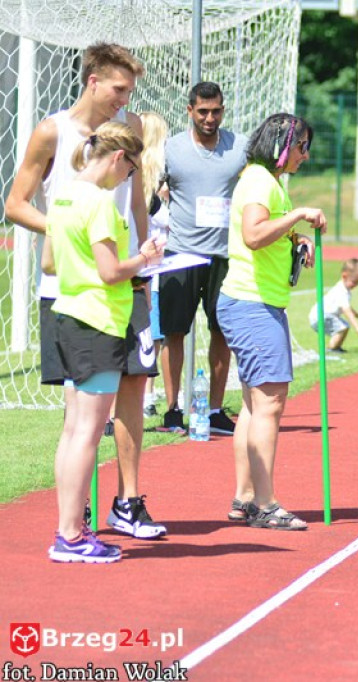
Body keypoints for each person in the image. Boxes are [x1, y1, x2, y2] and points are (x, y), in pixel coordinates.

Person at [4, 42, 166, 540]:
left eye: (130, 91)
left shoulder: (131, 129)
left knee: (134, 389)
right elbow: (15, 204)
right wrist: (67, 231)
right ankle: (74, 520)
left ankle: (128, 501)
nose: (125, 99)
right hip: (71, 288)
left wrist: (145, 252)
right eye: (119, 89)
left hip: (128, 277)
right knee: (83, 408)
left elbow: (136, 198)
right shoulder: (53, 130)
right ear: (93, 80)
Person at [46, 122, 165, 562]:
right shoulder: (98, 202)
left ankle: (68, 530)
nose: (128, 179)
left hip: (69, 315)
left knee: (73, 432)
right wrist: (146, 257)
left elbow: (50, 261)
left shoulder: (62, 195)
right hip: (97, 321)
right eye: (131, 170)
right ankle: (71, 536)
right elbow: (112, 271)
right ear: (118, 158)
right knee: (87, 435)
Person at [216, 112, 324, 530]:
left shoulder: (266, 182)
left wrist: (294, 239)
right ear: (282, 145)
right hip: (253, 304)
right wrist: (298, 218)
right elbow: (254, 234)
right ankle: (265, 503)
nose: (306, 155)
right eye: (301, 146)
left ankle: (246, 498)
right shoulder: (261, 181)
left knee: (253, 404)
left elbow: (264, 233)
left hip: (254, 302)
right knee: (270, 404)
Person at [160, 82, 249, 436]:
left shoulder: (239, 147)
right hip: (179, 253)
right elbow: (150, 189)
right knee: (174, 332)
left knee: (221, 331)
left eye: (216, 112)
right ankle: (171, 410)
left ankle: (214, 410)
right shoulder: (171, 150)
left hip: (224, 256)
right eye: (203, 112)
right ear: (189, 111)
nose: (210, 118)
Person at [139, 111, 171, 417]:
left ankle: (146, 397)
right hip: (148, 270)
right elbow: (164, 219)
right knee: (149, 336)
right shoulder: (145, 182)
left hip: (149, 269)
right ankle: (143, 397)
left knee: (152, 336)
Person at [309, 257, 358, 352]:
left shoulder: (344, 290)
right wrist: (357, 327)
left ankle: (336, 347)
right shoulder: (342, 291)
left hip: (319, 316)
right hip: (321, 316)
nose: (356, 285)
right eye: (354, 282)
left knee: (343, 326)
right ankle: (332, 349)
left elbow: (348, 307)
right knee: (342, 327)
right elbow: (346, 310)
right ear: (344, 276)